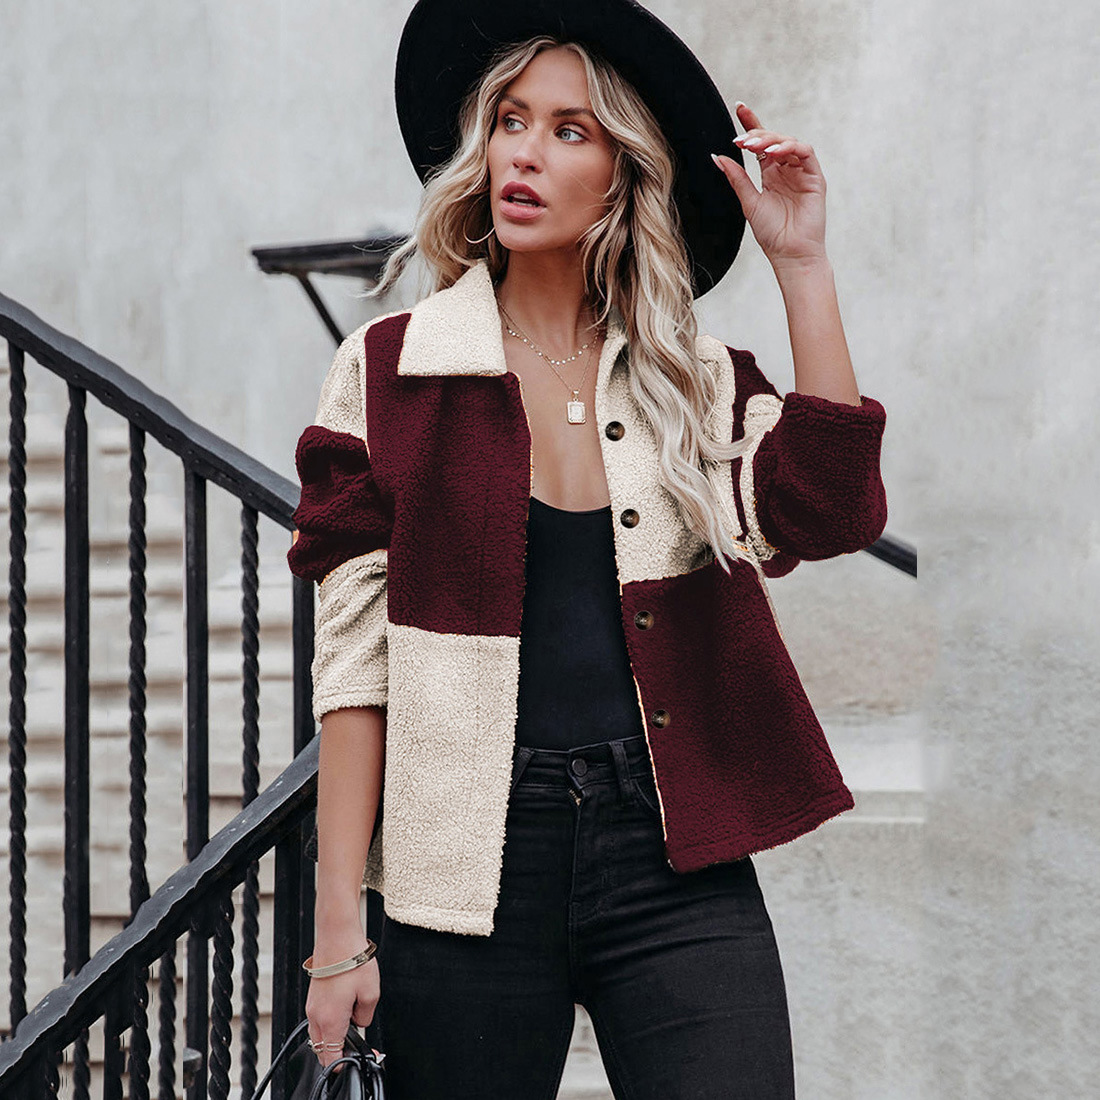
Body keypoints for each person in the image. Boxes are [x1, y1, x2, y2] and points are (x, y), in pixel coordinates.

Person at [286, 1, 888, 1097]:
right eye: (510, 119)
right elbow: (355, 672)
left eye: (570, 130)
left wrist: (801, 262)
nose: (524, 152)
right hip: (463, 864)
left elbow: (829, 511)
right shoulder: (390, 370)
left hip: (671, 848)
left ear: (622, 175)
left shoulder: (689, 374)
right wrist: (338, 934)